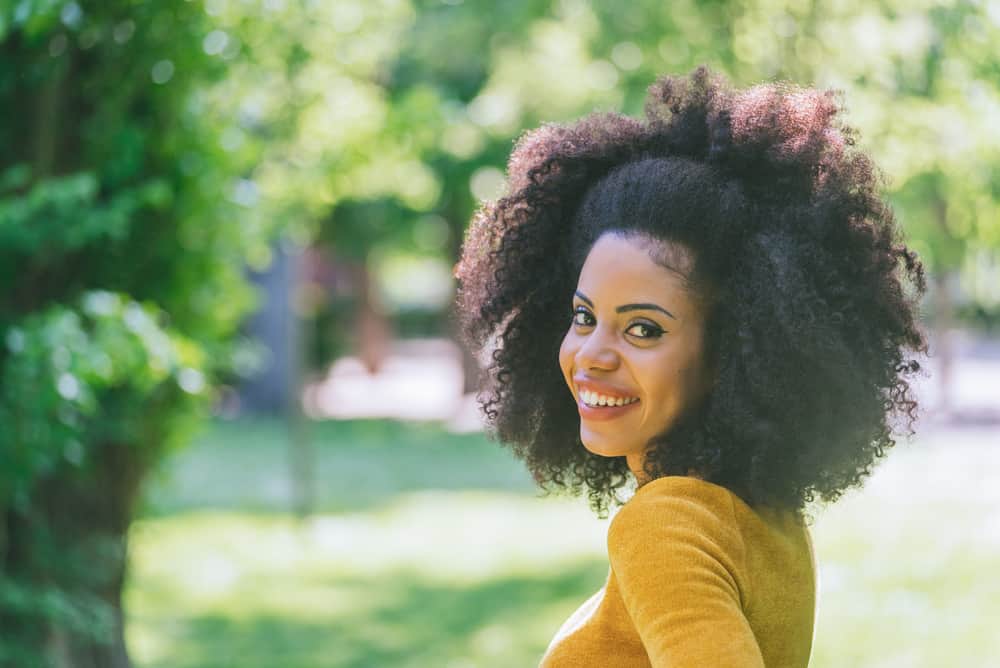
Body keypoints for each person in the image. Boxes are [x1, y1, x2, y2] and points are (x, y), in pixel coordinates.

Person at [453, 65, 926, 667]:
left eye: (643, 329)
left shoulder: (666, 524)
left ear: (734, 353)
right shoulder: (762, 513)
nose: (591, 354)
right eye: (582, 315)